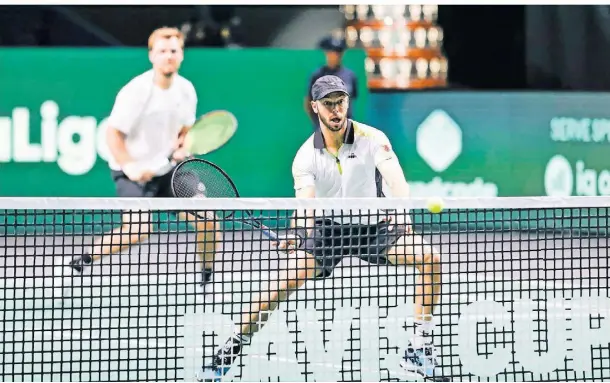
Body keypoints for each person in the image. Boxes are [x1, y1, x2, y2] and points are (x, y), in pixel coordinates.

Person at [197, 75, 447, 382]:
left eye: (340, 101)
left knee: (431, 259)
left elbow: (396, 181)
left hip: (375, 225)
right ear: (315, 107)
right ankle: (230, 349)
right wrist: (299, 234)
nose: (336, 110)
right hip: (330, 231)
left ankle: (419, 348)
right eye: (328, 104)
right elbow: (306, 205)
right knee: (278, 287)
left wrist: (402, 212)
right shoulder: (306, 157)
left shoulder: (373, 138)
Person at [67, 27, 221, 286]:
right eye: (162, 51)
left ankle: (206, 280)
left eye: (174, 51)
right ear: (152, 56)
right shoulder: (135, 92)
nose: (168, 56)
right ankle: (81, 262)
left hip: (170, 169)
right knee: (138, 230)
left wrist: (183, 146)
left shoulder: (186, 91)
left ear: (181, 55)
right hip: (132, 169)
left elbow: (185, 131)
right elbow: (113, 134)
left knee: (208, 220)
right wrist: (130, 166)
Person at [305, 35, 359, 129]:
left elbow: (352, 100)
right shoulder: (318, 76)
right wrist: (318, 124)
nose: (334, 55)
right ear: (327, 53)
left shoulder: (350, 75)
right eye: (331, 52)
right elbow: (308, 102)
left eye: (338, 52)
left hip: (345, 128)